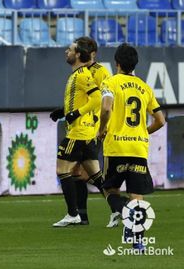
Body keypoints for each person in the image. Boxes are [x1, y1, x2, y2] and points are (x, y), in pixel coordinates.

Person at [97, 43, 165, 250]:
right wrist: (144, 132)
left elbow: (106, 108)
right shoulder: (145, 87)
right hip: (138, 149)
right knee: (137, 195)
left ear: (116, 63)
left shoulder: (110, 82)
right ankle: (138, 242)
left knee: (109, 188)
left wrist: (102, 128)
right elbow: (160, 120)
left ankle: (125, 210)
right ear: (135, 64)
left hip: (116, 147)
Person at [51, 36, 111, 226]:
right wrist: (65, 111)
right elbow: (84, 99)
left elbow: (104, 100)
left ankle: (81, 214)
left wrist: (99, 126)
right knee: (82, 173)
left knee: (80, 173)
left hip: (94, 129)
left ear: (89, 53)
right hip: (83, 126)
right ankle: (85, 215)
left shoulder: (100, 72)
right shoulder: (80, 73)